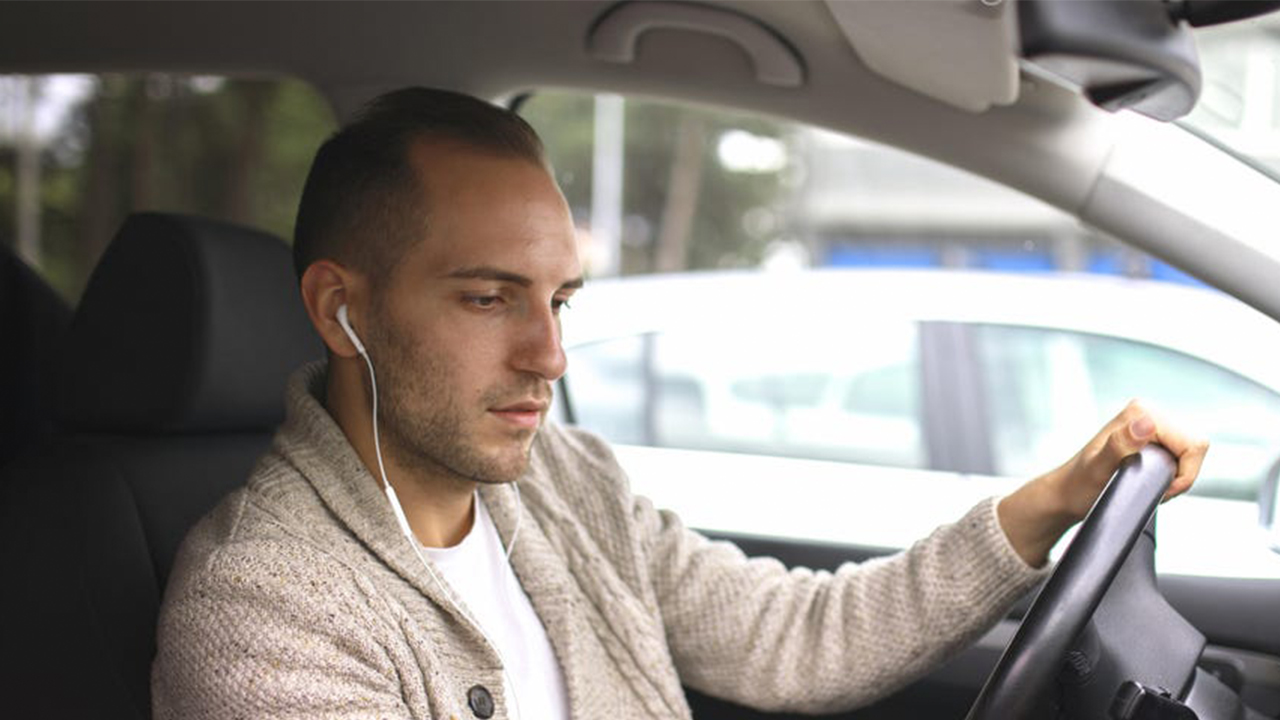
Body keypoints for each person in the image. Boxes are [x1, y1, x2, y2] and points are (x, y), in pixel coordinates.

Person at [152, 87, 1209, 719]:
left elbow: (795, 636)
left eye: (560, 298)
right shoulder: (262, 612)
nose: (549, 354)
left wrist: (1058, 497)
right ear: (343, 311)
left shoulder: (566, 484)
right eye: (489, 298)